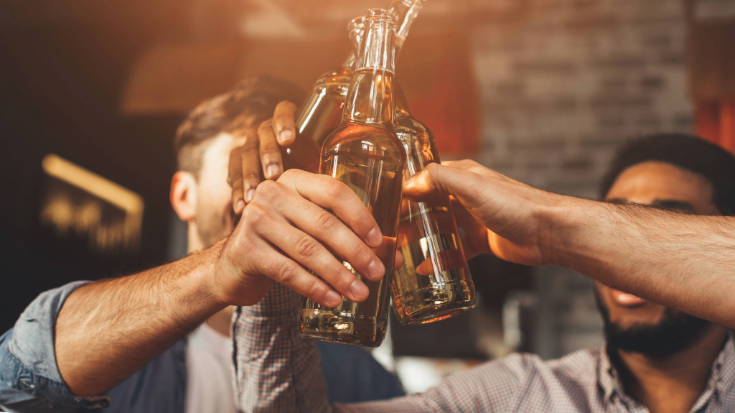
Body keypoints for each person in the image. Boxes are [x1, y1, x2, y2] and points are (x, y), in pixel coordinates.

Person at [232, 134, 735, 412]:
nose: (625, 267)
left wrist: (554, 232)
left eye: (660, 227)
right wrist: (278, 269)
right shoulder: (522, 394)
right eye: (618, 224)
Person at [0, 76, 402, 413]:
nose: (272, 193)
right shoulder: (121, 350)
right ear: (184, 196)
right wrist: (220, 269)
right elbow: (12, 379)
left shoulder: (358, 374)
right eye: (244, 168)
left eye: (283, 172)